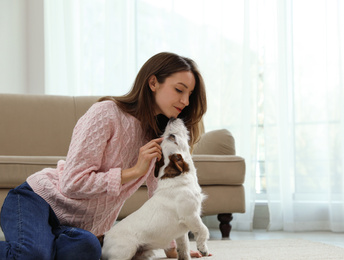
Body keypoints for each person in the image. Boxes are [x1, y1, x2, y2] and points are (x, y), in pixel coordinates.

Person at [0, 52, 207, 259]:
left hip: (76, 228)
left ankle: (43, 242)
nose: (186, 101)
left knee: (89, 249)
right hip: (38, 201)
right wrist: (134, 171)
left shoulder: (157, 138)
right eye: (179, 90)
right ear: (153, 83)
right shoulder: (106, 113)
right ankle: (36, 245)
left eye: (190, 94)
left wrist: (173, 249)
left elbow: (161, 198)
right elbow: (71, 183)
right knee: (31, 255)